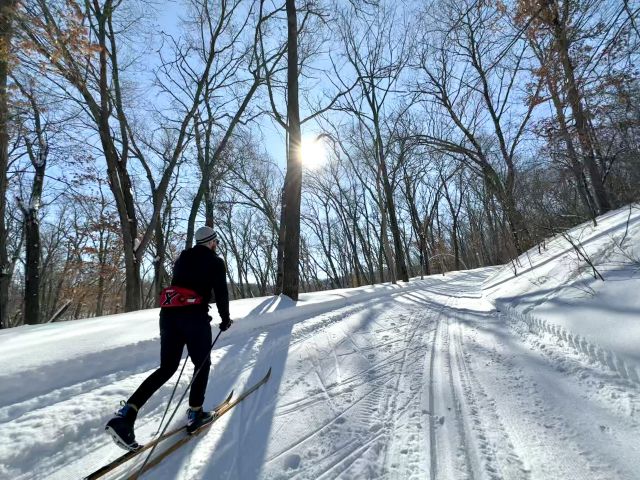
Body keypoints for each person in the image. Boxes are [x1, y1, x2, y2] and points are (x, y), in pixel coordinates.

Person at [106, 226, 233, 451]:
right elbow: (221, 292)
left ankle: (126, 415)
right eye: (216, 243)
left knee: (167, 368)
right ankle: (195, 414)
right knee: (202, 364)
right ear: (212, 242)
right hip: (194, 318)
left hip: (168, 317)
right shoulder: (216, 261)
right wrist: (225, 318)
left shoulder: (183, 257)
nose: (216, 246)